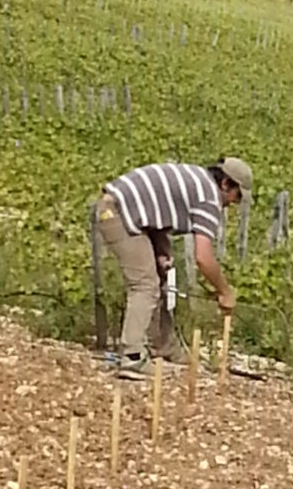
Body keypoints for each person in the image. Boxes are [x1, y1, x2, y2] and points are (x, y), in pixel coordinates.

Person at [95, 157, 253, 380]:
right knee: (144, 285)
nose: (233, 204)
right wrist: (224, 291)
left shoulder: (197, 180)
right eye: (236, 196)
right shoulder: (209, 197)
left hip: (122, 209)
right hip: (117, 213)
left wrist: (161, 248)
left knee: (157, 279)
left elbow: (156, 206)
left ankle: (164, 346)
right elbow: (203, 257)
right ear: (226, 184)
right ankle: (132, 358)